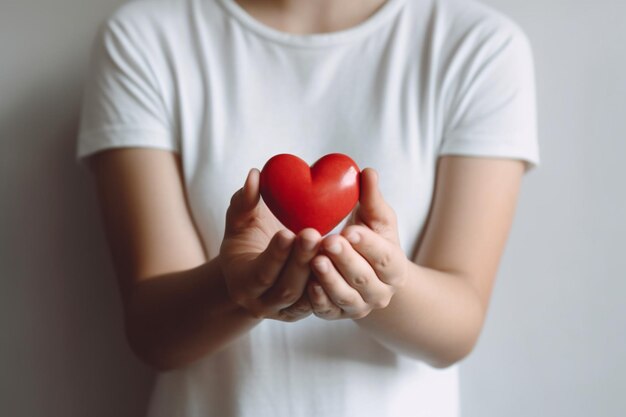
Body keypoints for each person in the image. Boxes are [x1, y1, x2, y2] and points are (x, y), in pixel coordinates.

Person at [76, 0, 540, 415]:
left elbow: (459, 326)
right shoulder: (143, 38)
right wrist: (235, 288)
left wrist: (383, 285)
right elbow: (152, 334)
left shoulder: (480, 47)